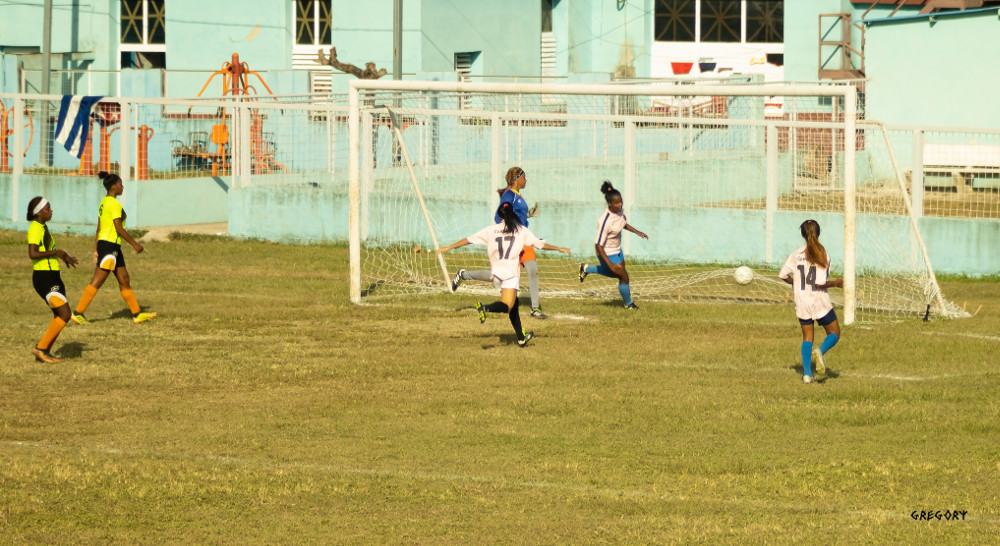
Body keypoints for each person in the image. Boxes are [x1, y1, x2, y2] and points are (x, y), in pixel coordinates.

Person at [438, 202, 570, 347]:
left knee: (515, 304)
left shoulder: (491, 230)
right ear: (513, 213)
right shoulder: (521, 230)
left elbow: (469, 240)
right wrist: (558, 248)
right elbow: (539, 244)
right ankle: (485, 308)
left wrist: (449, 247)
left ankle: (521, 337)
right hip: (510, 274)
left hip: (496, 272)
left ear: (500, 215)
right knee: (507, 305)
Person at [452, 167, 549, 318]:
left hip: (523, 240)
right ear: (517, 179)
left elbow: (514, 217)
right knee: (496, 276)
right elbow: (499, 218)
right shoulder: (508, 196)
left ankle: (535, 309)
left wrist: (527, 215)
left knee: (533, 270)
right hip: (512, 241)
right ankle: (464, 275)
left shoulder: (518, 196)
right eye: (524, 177)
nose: (526, 180)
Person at [72, 171, 157, 324]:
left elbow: (99, 227)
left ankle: (137, 314)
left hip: (109, 246)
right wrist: (135, 243)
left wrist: (96, 249)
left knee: (124, 279)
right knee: (98, 280)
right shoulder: (114, 204)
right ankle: (77, 313)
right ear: (113, 186)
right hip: (110, 245)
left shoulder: (104, 203)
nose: (122, 186)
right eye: (120, 184)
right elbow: (118, 227)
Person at [779, 219, 843, 384]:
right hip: (819, 300)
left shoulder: (796, 254)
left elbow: (783, 275)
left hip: (802, 300)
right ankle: (820, 352)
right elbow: (820, 282)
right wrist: (836, 283)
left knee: (807, 336)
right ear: (819, 233)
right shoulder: (823, 254)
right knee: (834, 333)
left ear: (802, 234)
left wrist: (795, 283)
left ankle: (807, 374)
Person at [578, 181, 648, 309]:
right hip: (606, 252)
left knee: (618, 274)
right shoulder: (604, 221)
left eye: (621, 201)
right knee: (623, 277)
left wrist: (637, 232)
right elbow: (598, 245)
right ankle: (629, 304)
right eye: (617, 203)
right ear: (609, 204)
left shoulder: (620, 211)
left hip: (617, 250)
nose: (620, 204)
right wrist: (609, 264)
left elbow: (622, 223)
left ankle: (586, 268)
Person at [26, 196, 80, 363]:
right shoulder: (35, 228)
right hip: (44, 278)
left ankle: (44, 351)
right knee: (65, 314)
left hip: (52, 277)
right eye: (48, 209)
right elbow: (32, 254)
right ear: (39, 212)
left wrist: (63, 256)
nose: (51, 211)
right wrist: (57, 252)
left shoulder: (43, 226)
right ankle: (41, 349)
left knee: (59, 315)